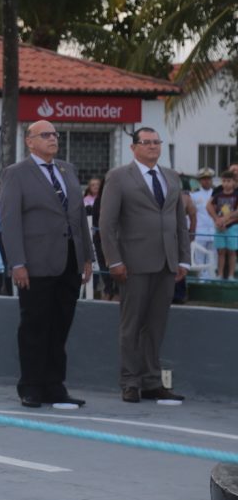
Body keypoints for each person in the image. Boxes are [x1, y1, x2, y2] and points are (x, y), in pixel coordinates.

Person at [0, 120, 93, 409]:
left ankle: (55, 385)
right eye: (46, 135)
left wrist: (87, 255)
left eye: (55, 134)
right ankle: (31, 386)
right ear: (29, 141)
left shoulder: (67, 170)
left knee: (60, 324)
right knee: (35, 326)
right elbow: (10, 222)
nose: (53, 139)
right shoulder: (16, 174)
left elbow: (77, 216)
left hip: (69, 261)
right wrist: (17, 262)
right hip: (36, 264)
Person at [100, 127, 190, 403]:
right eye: (146, 142)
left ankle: (152, 381)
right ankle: (130, 382)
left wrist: (183, 258)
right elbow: (106, 223)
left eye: (156, 142)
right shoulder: (118, 177)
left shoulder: (172, 177)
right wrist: (114, 260)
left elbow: (179, 222)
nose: (152, 147)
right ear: (133, 147)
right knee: (132, 326)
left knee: (156, 325)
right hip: (133, 263)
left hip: (166, 263)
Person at [207, 170, 238, 280]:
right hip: (219, 227)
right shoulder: (218, 195)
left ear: (234, 182)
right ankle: (219, 274)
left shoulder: (236, 194)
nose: (226, 183)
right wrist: (217, 220)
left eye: (229, 181)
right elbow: (209, 207)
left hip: (232, 227)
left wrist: (225, 220)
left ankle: (231, 275)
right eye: (224, 181)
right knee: (221, 252)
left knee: (232, 252)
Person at [191, 168, 217, 278]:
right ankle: (201, 278)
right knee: (199, 257)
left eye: (208, 179)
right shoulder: (194, 195)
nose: (206, 181)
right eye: (204, 179)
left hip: (214, 230)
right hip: (200, 231)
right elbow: (191, 214)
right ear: (200, 181)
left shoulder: (216, 194)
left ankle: (212, 277)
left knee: (214, 255)